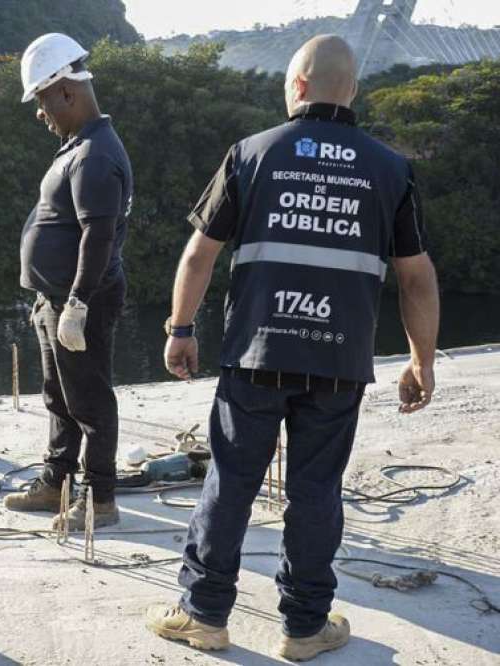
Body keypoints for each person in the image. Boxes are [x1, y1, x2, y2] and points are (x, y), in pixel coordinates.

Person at [144, 35, 440, 661]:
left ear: (297, 86)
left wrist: (180, 329)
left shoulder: (251, 154)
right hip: (337, 364)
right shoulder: (389, 169)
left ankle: (203, 615)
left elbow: (200, 254)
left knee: (232, 481)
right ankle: (304, 627)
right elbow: (416, 277)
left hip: (257, 353)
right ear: (351, 91)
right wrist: (421, 361)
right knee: (316, 491)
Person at [3, 33, 132, 531]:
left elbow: (97, 236)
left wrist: (77, 303)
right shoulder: (80, 146)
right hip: (55, 299)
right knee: (59, 397)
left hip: (82, 301)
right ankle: (57, 480)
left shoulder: (96, 154)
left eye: (41, 101)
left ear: (66, 92)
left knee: (90, 401)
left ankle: (100, 499)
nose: (41, 113)